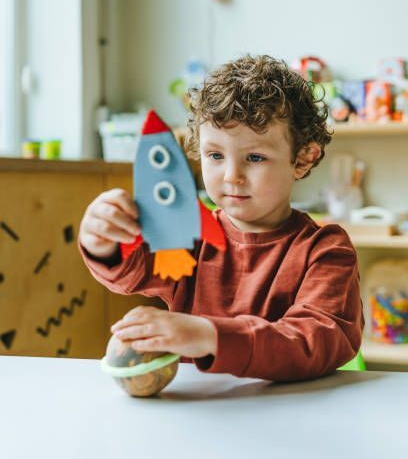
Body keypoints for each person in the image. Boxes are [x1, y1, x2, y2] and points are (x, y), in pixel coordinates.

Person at [79, 54, 363, 382]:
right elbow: (132, 271)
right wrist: (101, 241)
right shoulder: (191, 233)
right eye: (215, 155)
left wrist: (208, 335)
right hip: (202, 413)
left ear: (301, 159)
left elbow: (314, 339)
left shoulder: (326, 250)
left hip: (291, 416)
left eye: (254, 157)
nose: (231, 176)